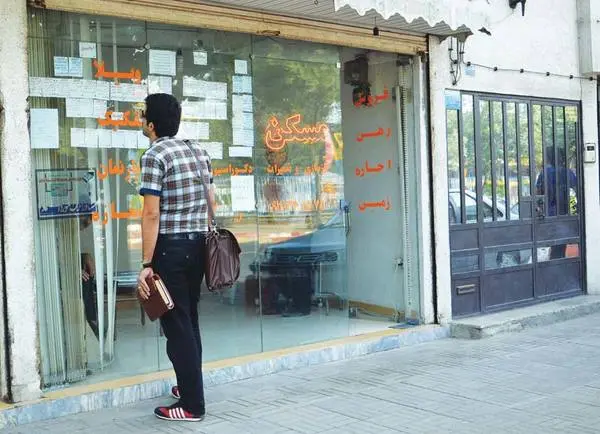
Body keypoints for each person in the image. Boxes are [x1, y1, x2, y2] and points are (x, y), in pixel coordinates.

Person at [136, 93, 214, 422]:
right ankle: (188, 386)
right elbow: (212, 202)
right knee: (189, 320)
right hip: (198, 246)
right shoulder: (198, 151)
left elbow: (151, 213)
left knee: (177, 325)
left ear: (152, 125)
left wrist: (146, 264)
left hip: (171, 248)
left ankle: (192, 405)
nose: (141, 120)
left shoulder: (155, 155)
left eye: (143, 116)